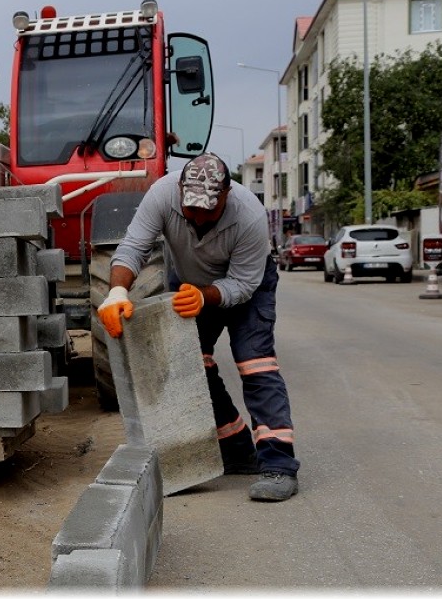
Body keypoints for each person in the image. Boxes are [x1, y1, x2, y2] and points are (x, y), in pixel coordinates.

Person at [96, 153, 299, 502]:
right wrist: (116, 292)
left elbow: (243, 285)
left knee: (255, 364)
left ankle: (279, 464)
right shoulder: (162, 195)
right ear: (179, 191)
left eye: (209, 210)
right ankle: (237, 449)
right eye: (192, 210)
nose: (200, 218)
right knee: (192, 366)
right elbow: (133, 247)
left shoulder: (249, 215)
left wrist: (205, 297)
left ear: (226, 194)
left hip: (247, 286)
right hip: (190, 280)